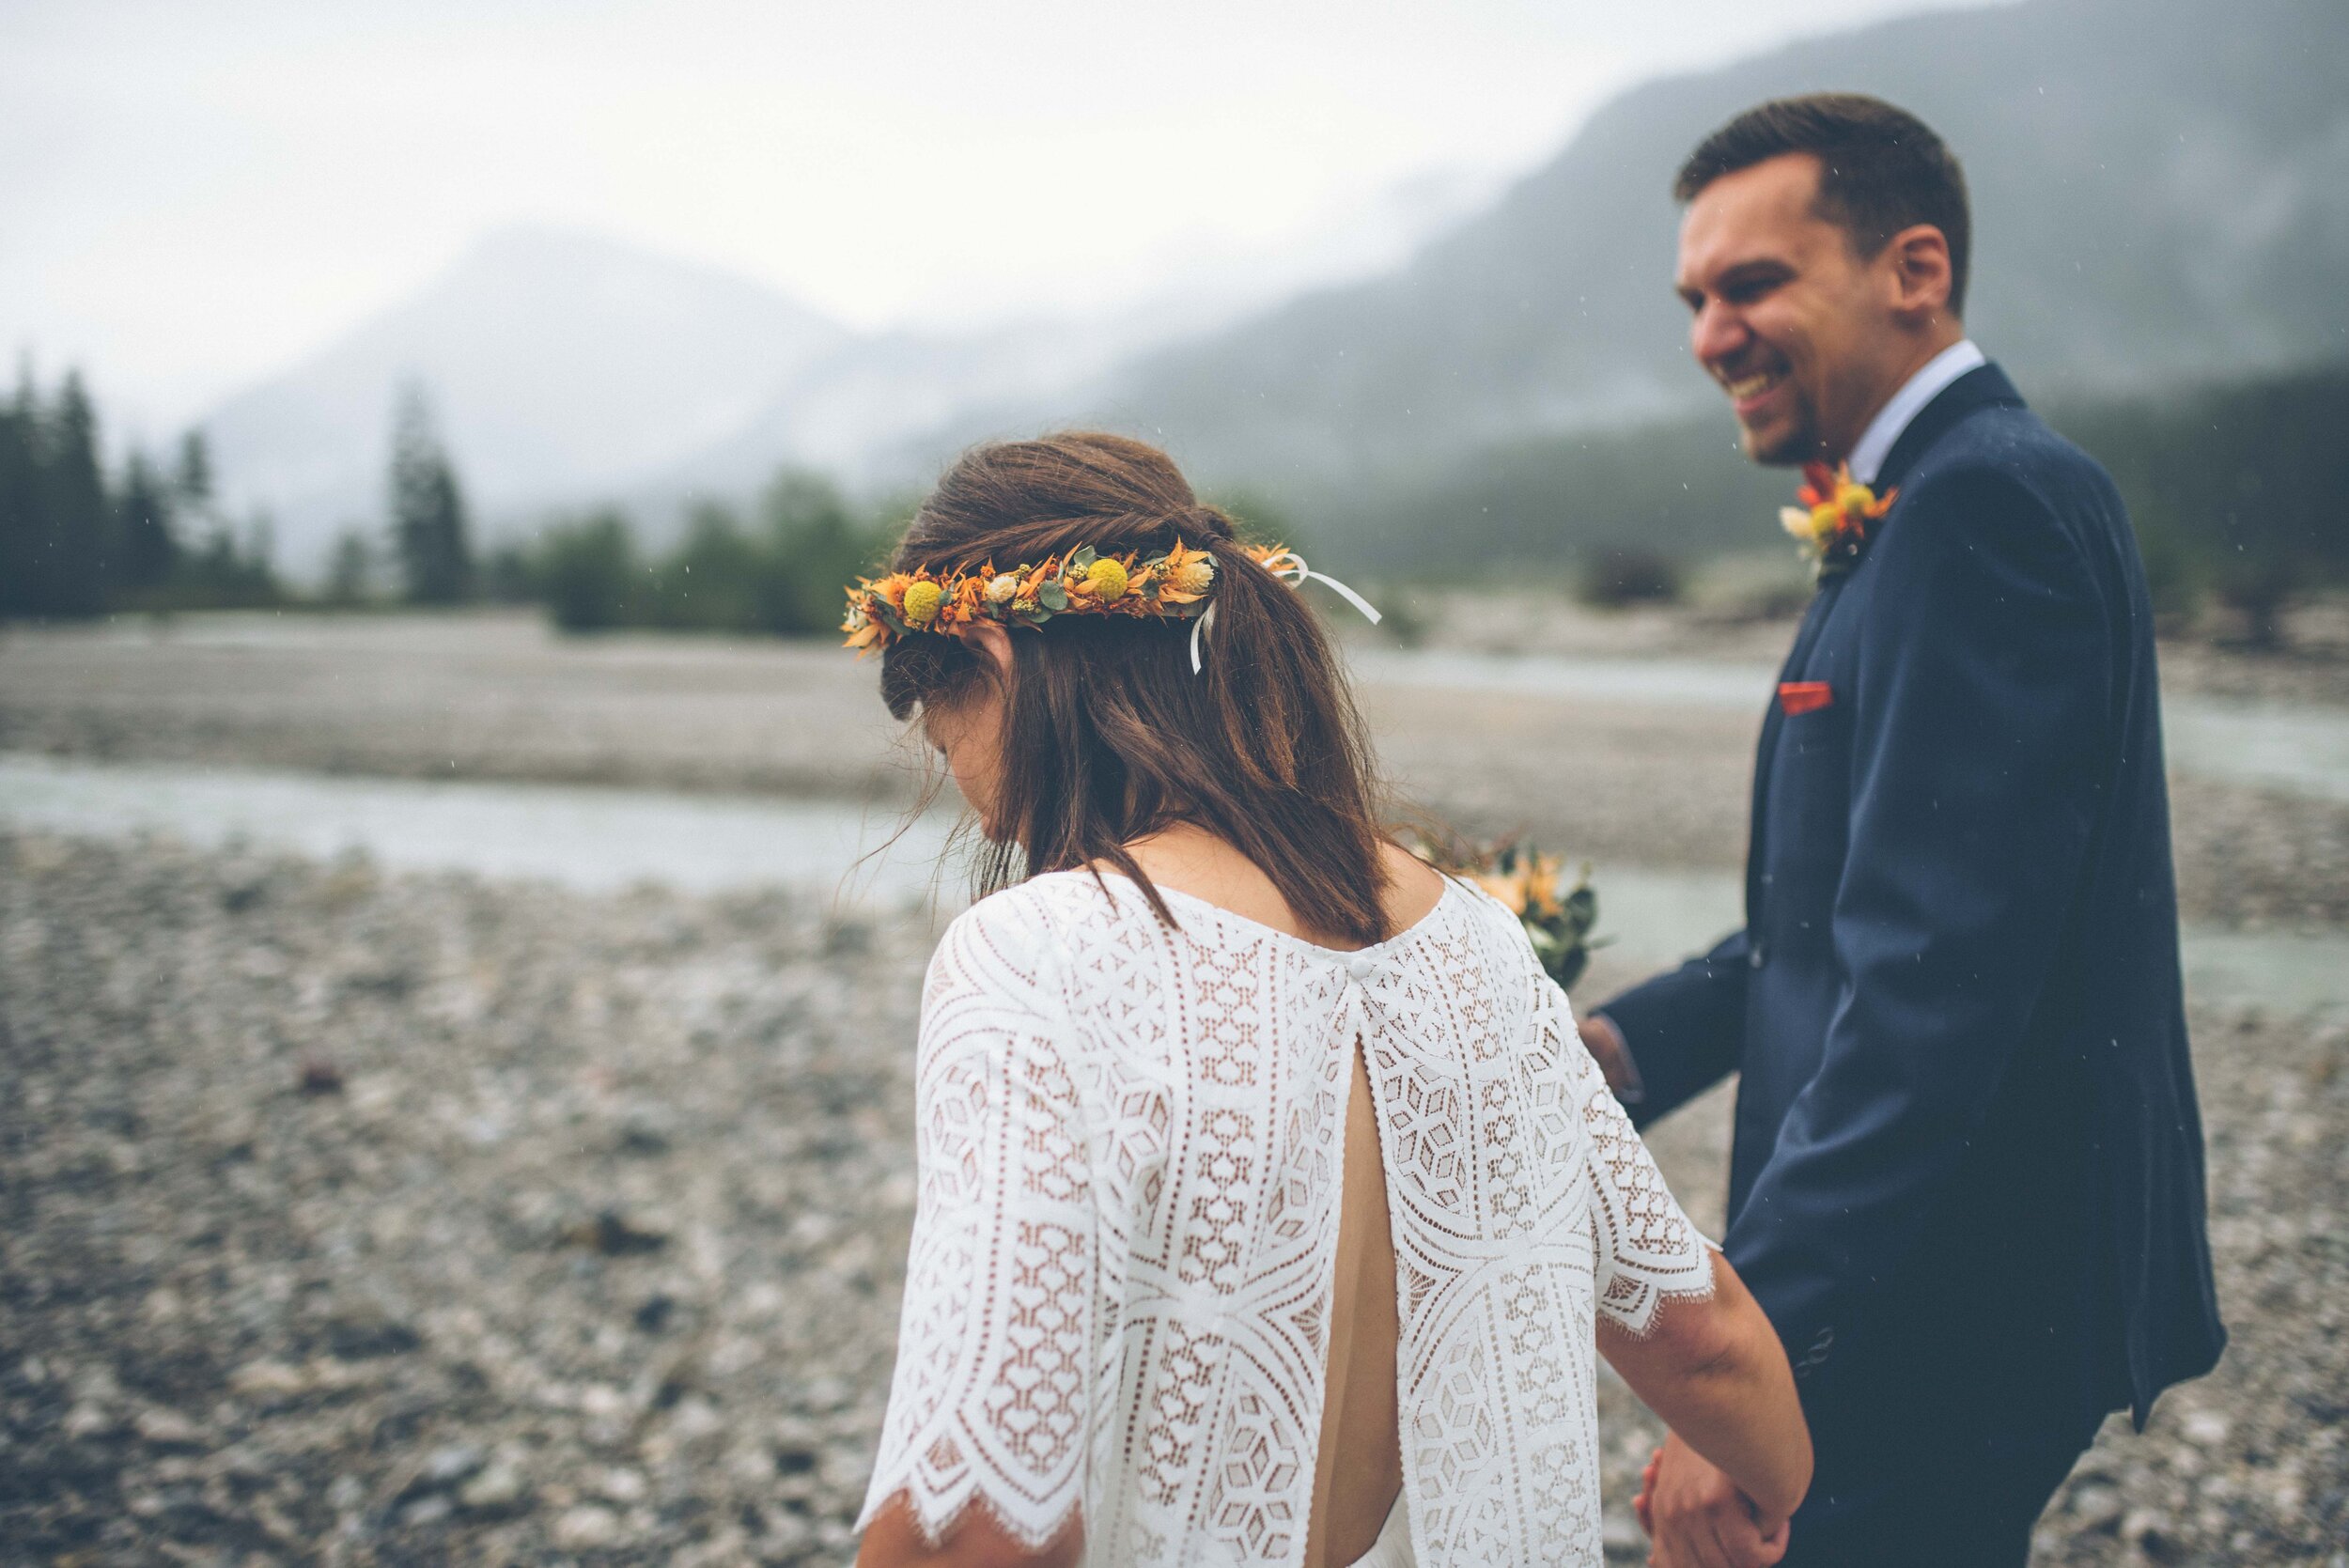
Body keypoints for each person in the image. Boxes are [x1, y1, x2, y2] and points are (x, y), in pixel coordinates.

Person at [847, 432, 1811, 1568]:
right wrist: (1761, 1496)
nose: (958, 780)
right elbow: (1702, 1337)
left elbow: (974, 1520)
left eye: (933, 714)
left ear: (993, 656)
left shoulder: (1038, 958)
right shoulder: (1478, 944)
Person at [1576, 95, 2227, 1568]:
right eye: (1694, 299)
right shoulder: (1919, 505)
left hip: (1956, 1283)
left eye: (1752, 285)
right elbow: (1833, 920)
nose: (1709, 336)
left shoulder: (1981, 507)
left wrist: (1742, 1363)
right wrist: (1613, 1055)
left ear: (1913, 269)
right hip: (1935, 1267)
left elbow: (1927, 993)